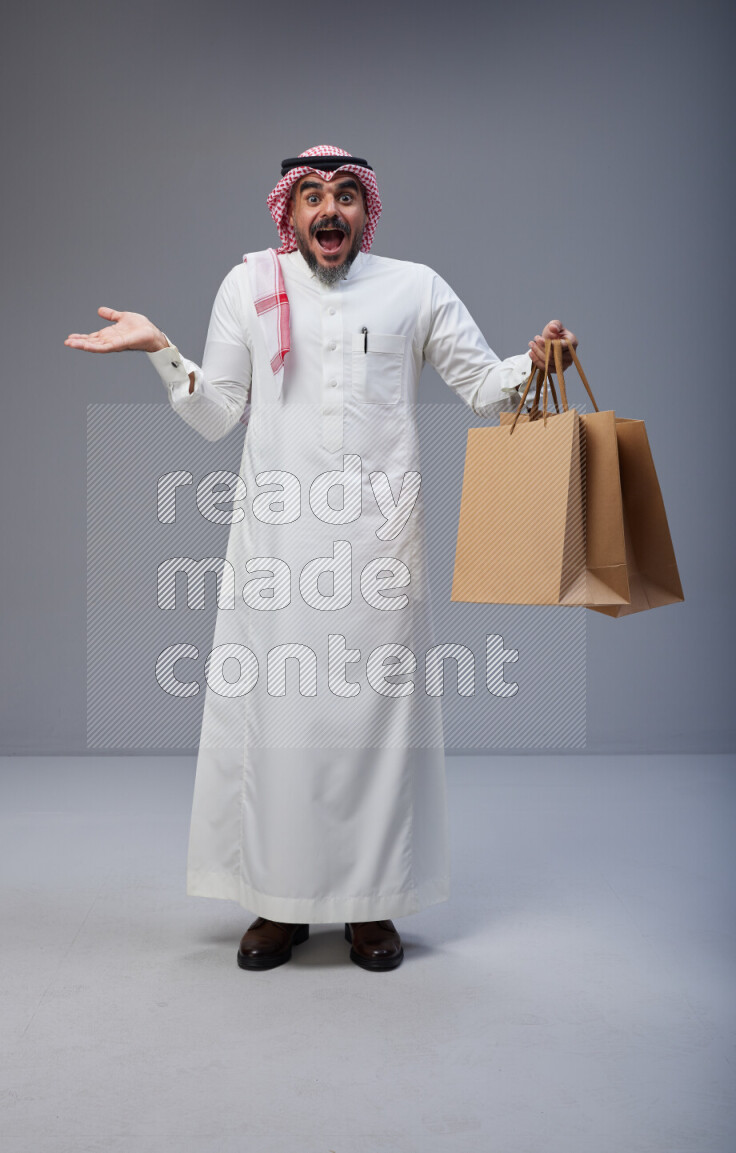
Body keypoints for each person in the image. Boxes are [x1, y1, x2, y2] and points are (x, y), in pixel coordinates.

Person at [65, 145, 578, 973]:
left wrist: (537, 366)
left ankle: (372, 907)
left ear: (367, 212)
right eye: (311, 196)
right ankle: (280, 902)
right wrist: (160, 348)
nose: (329, 210)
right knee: (281, 726)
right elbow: (217, 414)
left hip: (382, 546)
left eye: (344, 195)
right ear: (288, 212)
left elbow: (486, 388)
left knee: (377, 731)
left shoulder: (416, 287)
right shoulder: (249, 288)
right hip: (278, 548)